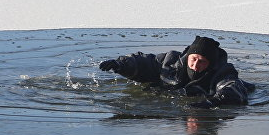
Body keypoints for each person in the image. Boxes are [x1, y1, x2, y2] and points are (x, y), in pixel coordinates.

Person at [98, 36, 254, 108]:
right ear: (188, 57)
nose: (195, 65)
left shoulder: (222, 72)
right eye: (193, 59)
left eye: (202, 61)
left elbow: (231, 87)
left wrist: (214, 101)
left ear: (211, 63)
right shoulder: (171, 62)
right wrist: (120, 64)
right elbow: (146, 62)